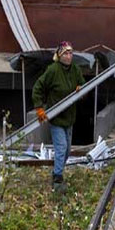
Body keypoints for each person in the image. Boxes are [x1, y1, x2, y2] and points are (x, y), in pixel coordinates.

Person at [32, 41, 85, 192]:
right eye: (66, 53)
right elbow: (38, 88)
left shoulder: (75, 69)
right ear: (60, 55)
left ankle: (57, 170)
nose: (69, 56)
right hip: (56, 118)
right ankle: (57, 179)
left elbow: (82, 84)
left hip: (69, 118)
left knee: (67, 151)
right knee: (61, 148)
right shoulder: (53, 70)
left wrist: (81, 88)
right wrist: (39, 108)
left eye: (71, 53)